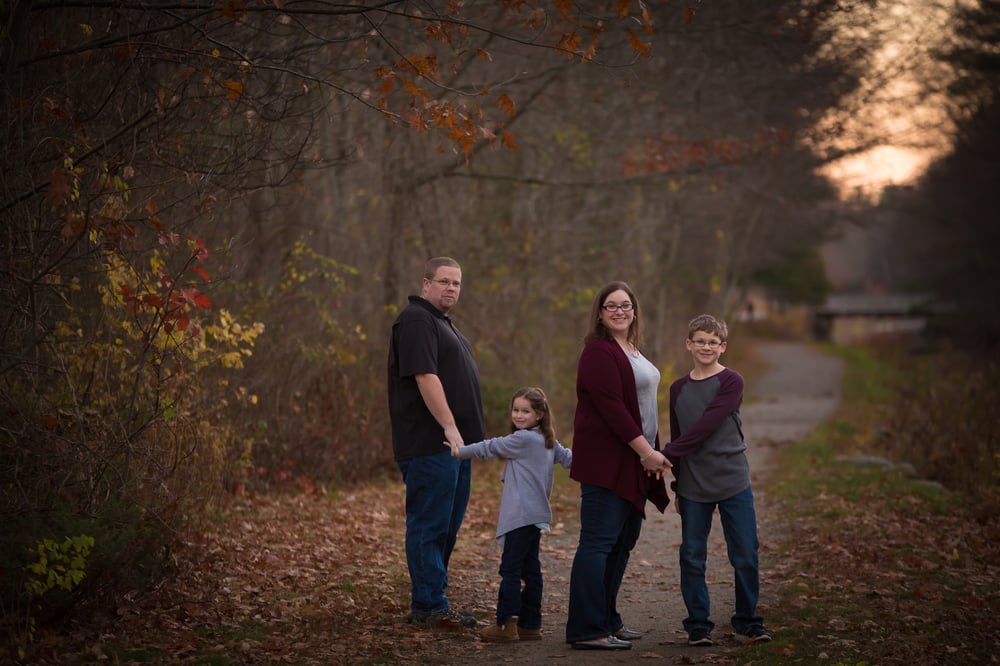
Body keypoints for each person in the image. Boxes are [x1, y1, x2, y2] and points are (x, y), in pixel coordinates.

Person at [565, 281, 671, 650]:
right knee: (597, 544)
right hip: (607, 463)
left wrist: (648, 454)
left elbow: (644, 409)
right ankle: (586, 629)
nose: (620, 311)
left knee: (621, 544)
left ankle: (607, 620)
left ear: (634, 310)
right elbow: (613, 409)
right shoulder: (598, 353)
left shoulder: (631, 350)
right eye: (611, 306)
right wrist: (646, 451)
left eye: (626, 305)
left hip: (633, 462)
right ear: (599, 313)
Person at [387, 257, 485, 630]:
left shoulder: (443, 323)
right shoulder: (416, 319)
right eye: (444, 281)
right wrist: (449, 426)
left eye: (457, 283)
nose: (451, 289)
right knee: (429, 525)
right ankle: (428, 606)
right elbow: (425, 375)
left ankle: (433, 598)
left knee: (447, 526)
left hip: (455, 448)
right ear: (426, 284)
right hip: (431, 444)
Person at [662, 314, 771, 646]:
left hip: (732, 479)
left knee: (745, 553)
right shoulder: (678, 388)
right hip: (694, 484)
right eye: (700, 341)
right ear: (689, 345)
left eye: (713, 342)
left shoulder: (732, 382)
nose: (706, 347)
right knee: (692, 555)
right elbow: (681, 432)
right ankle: (698, 625)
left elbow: (707, 425)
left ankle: (747, 622)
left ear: (722, 347)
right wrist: (678, 483)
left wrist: (664, 454)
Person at [443, 387, 573, 643]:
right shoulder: (547, 440)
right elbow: (570, 458)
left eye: (526, 411)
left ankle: (506, 625)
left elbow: (490, 447)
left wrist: (460, 451)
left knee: (511, 569)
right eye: (516, 410)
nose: (519, 415)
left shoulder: (523, 439)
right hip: (536, 515)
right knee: (531, 569)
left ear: (539, 414)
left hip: (521, 515)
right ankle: (530, 624)